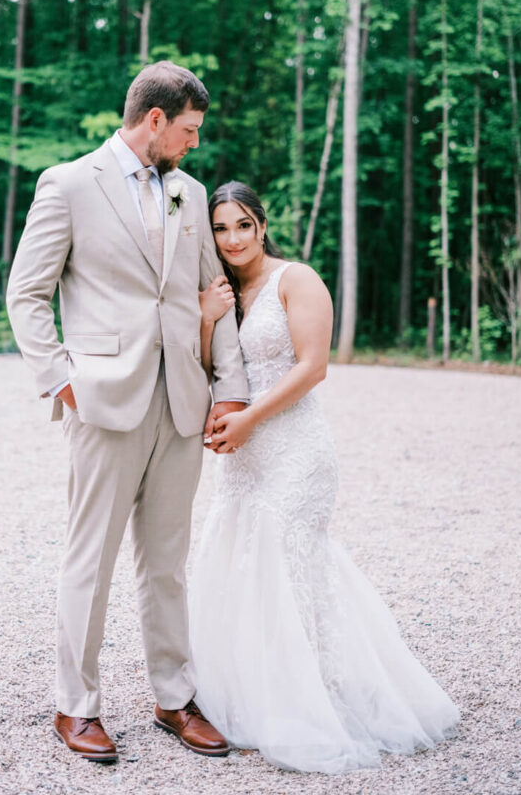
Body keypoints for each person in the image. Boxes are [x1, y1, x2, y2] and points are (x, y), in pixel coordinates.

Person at [6, 63, 249, 763]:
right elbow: (27, 293)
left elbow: (214, 290)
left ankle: (173, 697)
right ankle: (75, 708)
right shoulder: (70, 185)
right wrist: (61, 382)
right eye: (189, 130)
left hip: (182, 403)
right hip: (103, 403)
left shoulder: (191, 192)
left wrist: (227, 384)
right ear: (154, 120)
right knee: (91, 559)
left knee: (167, 563)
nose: (194, 144)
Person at [190, 181, 460, 773]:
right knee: (241, 561)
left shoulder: (296, 279)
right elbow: (212, 369)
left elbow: (314, 368)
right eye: (220, 228)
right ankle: (251, 690)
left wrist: (250, 419)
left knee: (289, 562)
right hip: (244, 455)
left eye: (242, 224)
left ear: (262, 225)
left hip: (294, 449)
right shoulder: (222, 290)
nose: (232, 239)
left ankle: (314, 696)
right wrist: (209, 322)